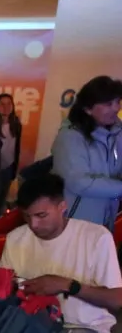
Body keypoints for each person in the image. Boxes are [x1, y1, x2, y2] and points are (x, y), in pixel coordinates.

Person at [0, 173, 122, 333]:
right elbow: (4, 292)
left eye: (41, 215)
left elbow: (117, 300)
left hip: (84, 326)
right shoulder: (16, 239)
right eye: (27, 217)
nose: (34, 225)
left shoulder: (96, 238)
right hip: (35, 322)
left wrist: (67, 285)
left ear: (62, 207)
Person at [51, 75, 122, 230]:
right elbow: (78, 182)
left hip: (105, 219)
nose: (116, 108)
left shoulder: (117, 132)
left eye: (117, 102)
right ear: (88, 109)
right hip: (76, 219)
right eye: (108, 103)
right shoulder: (70, 137)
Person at [0, 92, 22, 215]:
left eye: (9, 104)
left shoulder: (16, 124)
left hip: (8, 168)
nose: (6, 107)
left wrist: (14, 169)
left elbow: (16, 147)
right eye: (2, 104)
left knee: (1, 199)